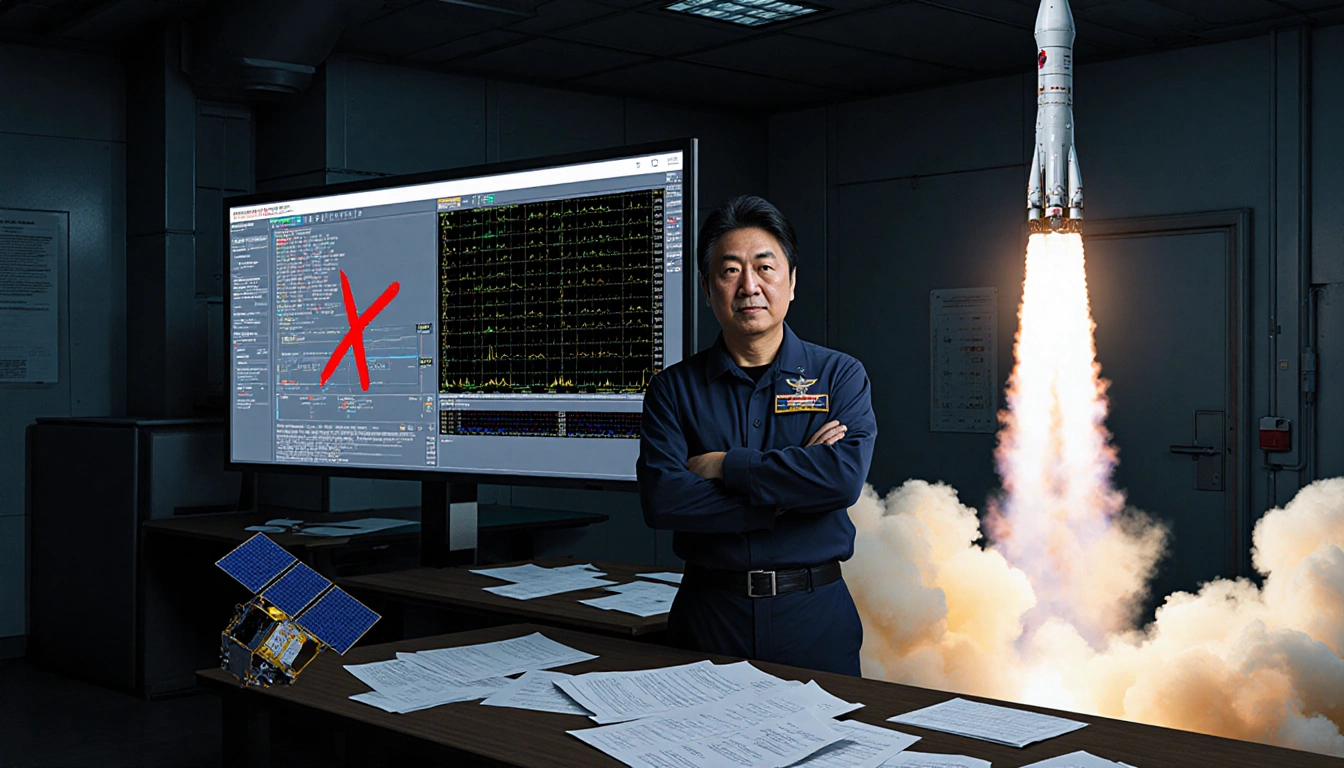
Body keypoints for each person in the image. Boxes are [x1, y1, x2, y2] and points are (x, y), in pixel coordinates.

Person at [636, 194, 877, 676]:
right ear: (707, 289)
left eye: (765, 268)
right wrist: (788, 494)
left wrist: (727, 465)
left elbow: (841, 480)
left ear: (791, 282)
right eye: (729, 271)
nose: (749, 286)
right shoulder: (672, 390)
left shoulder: (839, 377)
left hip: (814, 617)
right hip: (709, 617)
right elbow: (663, 501)